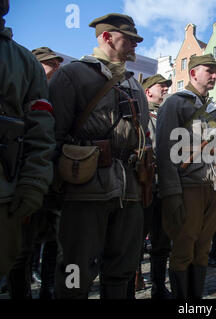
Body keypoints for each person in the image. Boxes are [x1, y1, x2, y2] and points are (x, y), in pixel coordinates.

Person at [49, 13, 150, 299]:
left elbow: (144, 138)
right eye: (128, 39)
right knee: (75, 270)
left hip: (129, 189)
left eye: (135, 40)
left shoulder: (134, 85)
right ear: (106, 37)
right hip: (84, 189)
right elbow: (52, 136)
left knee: (122, 268)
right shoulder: (73, 75)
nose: (134, 46)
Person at [156, 54, 216, 299]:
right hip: (188, 187)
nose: (215, 75)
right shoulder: (175, 104)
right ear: (192, 73)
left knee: (203, 248)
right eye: (209, 70)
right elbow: (164, 152)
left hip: (215, 186)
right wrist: (171, 193)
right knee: (184, 248)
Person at [0, 0, 55, 284]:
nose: (55, 70)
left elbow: (41, 132)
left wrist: (34, 184)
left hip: (7, 193)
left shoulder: (21, 61)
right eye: (51, 65)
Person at [6, 47, 63, 299]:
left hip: (52, 180)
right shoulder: (28, 89)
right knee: (23, 248)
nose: (56, 68)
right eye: (51, 64)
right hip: (25, 176)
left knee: (53, 240)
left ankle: (48, 290)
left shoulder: (60, 95)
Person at [129, 74, 173, 298]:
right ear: (148, 92)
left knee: (162, 240)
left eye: (167, 87)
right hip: (144, 185)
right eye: (161, 86)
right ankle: (134, 276)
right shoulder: (140, 114)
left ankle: (158, 285)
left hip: (163, 186)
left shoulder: (166, 115)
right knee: (138, 237)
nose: (165, 89)